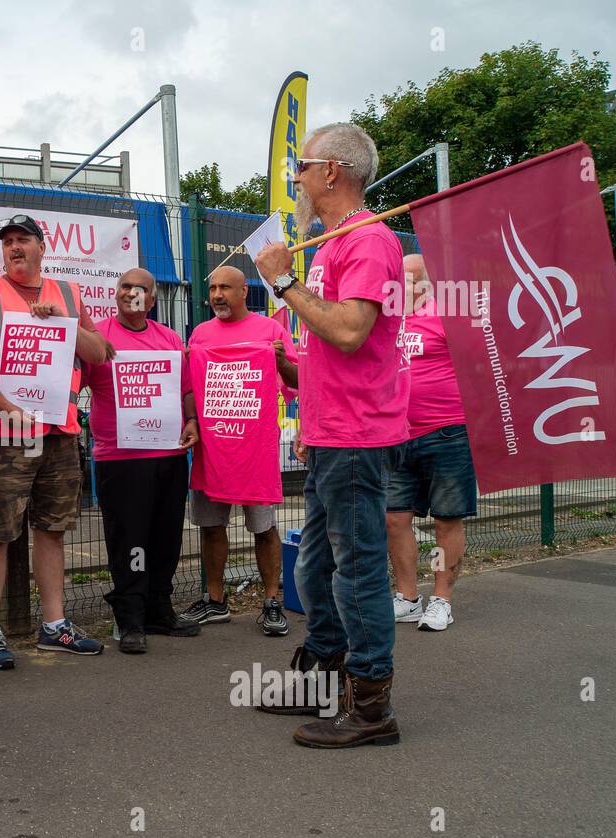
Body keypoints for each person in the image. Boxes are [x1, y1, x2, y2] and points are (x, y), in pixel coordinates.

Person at [254, 122, 408, 748]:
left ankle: (371, 706)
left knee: (356, 569)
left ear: (332, 173)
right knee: (317, 565)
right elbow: (331, 346)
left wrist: (282, 283)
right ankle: (324, 671)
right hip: (330, 432)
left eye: (301, 166)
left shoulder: (367, 243)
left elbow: (349, 331)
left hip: (357, 435)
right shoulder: (334, 244)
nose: (294, 177)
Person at [0, 214, 113, 668]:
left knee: (52, 529)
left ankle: (54, 625)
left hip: (59, 433)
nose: (14, 247)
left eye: (23, 239)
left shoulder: (68, 294)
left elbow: (98, 353)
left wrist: (67, 320)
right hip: (4, 434)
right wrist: (7, 407)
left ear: (42, 247)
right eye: (7, 241)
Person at [83, 268, 200, 654]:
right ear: (115, 293)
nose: (132, 293)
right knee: (129, 539)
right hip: (120, 458)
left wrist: (191, 422)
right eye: (125, 287)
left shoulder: (168, 338)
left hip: (168, 455)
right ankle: (129, 616)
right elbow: (70, 380)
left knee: (166, 536)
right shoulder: (98, 336)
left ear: (152, 299)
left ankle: (159, 609)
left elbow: (185, 389)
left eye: (141, 289)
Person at [183, 266, 298, 636]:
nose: (217, 295)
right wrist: (191, 420)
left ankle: (271, 602)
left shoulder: (271, 332)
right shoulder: (200, 334)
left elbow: (298, 381)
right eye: (213, 287)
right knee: (211, 527)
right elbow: (188, 386)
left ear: (244, 292)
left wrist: (278, 360)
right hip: (212, 449)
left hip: (255, 451)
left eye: (225, 288)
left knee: (264, 529)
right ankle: (215, 601)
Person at [387, 254, 477, 632]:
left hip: (448, 432)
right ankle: (408, 597)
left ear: (425, 282)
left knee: (446, 520)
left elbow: (480, 365)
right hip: (396, 434)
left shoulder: (449, 315)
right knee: (394, 518)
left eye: (404, 279)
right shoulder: (386, 318)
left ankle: (441, 599)